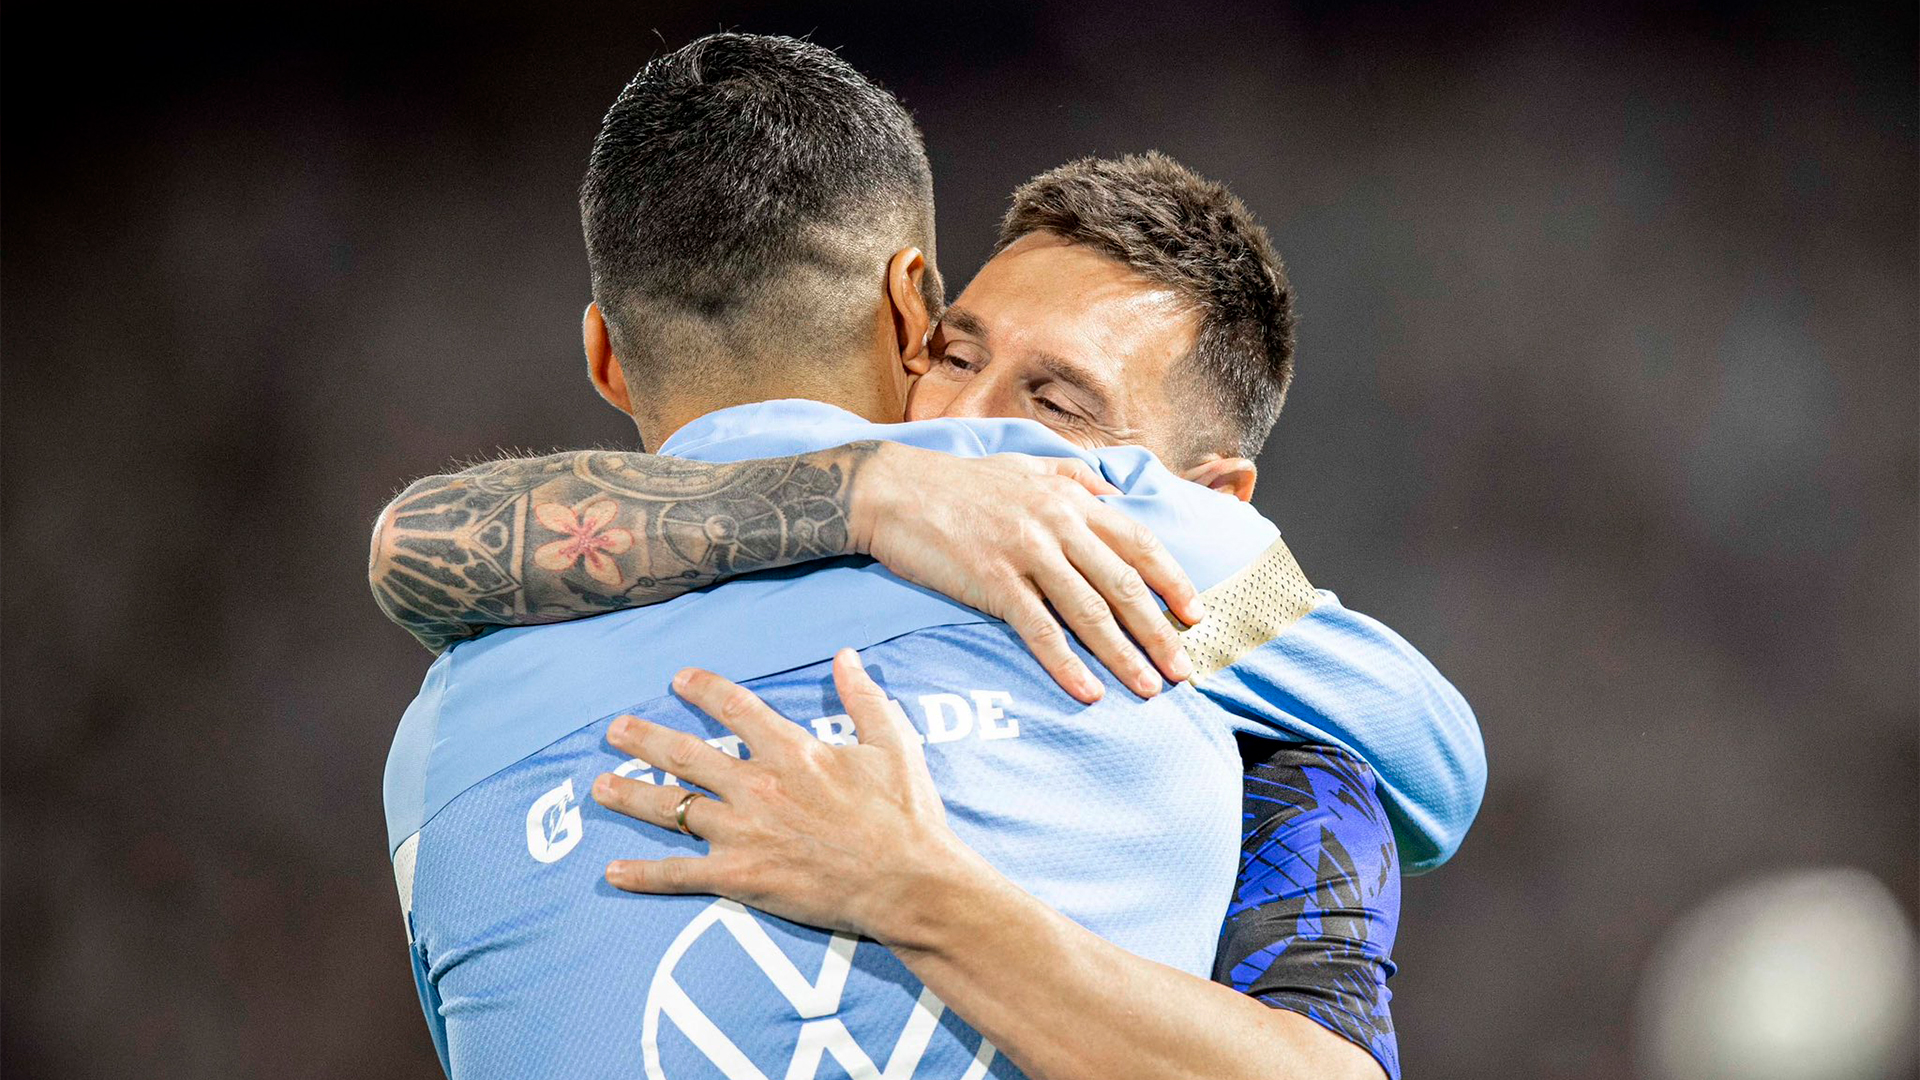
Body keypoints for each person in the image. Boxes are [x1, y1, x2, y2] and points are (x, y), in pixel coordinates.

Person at [376, 34, 1481, 1080]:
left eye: (1056, 405)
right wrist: (872, 493)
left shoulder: (438, 734)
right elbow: (1432, 751)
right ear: (915, 312)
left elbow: (409, 548)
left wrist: (917, 891)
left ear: (606, 358)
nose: (966, 427)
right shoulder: (1129, 534)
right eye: (956, 356)